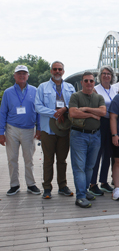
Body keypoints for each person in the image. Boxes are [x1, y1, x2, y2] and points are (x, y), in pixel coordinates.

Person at [35, 61, 75, 199]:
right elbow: (38, 106)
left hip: (64, 130)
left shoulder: (70, 87)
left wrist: (65, 109)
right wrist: (54, 113)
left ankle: (62, 186)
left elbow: (74, 105)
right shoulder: (42, 87)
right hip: (48, 130)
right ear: (51, 71)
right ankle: (47, 187)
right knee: (48, 160)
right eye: (55, 69)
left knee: (62, 160)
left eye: (60, 69)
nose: (57, 71)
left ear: (63, 71)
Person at [0, 65, 41, 196]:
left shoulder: (35, 91)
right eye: (19, 73)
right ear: (14, 76)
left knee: (29, 159)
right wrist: (1, 132)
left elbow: (39, 111)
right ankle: (14, 184)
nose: (22, 75)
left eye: (24, 73)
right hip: (12, 129)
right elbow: (2, 113)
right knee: (12, 158)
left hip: (29, 129)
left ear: (28, 76)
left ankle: (31, 184)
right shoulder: (8, 92)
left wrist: (39, 128)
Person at [68, 72, 106, 208]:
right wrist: (92, 114)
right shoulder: (75, 96)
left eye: (91, 81)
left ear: (94, 82)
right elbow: (73, 113)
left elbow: (103, 112)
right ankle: (80, 197)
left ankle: (84, 191)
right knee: (79, 167)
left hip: (95, 135)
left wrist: (85, 109)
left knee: (90, 166)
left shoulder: (99, 97)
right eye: (86, 81)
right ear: (82, 82)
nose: (89, 83)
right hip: (79, 135)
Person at [88, 66, 116, 196]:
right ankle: (93, 183)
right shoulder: (96, 89)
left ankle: (104, 181)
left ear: (112, 76)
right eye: (104, 73)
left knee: (108, 154)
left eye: (108, 74)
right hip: (100, 123)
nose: (106, 76)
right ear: (100, 76)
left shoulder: (115, 89)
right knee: (97, 153)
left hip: (113, 123)